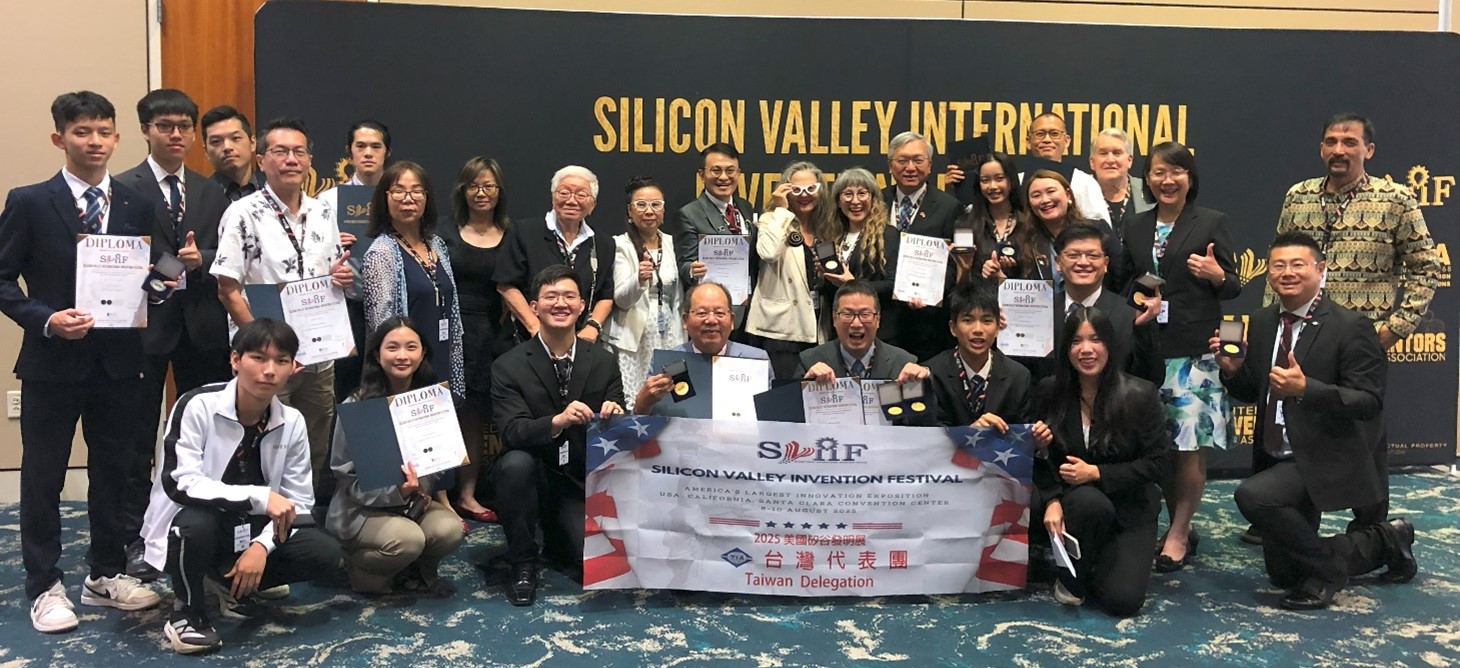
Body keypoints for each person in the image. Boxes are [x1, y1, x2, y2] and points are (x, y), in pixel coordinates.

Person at [0, 90, 164, 633]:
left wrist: (167, 279)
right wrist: (45, 318)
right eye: (82, 132)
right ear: (60, 138)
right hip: (52, 362)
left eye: (103, 132)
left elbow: (151, 270)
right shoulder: (29, 201)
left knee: (114, 472)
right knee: (43, 477)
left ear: (117, 138)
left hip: (120, 364)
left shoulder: (136, 203)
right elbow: (2, 279)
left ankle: (106, 573)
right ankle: (44, 585)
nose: (95, 142)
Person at [1265, 112, 1447, 536]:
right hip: (1302, 338)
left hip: (1361, 341)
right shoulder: (1298, 196)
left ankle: (1373, 532)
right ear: (1321, 149)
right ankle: (1294, 520)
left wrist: (1396, 327)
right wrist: (1275, 328)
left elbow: (1427, 267)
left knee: (1364, 436)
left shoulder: (1395, 199)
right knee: (1297, 428)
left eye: (1350, 142)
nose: (1339, 150)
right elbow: (1280, 261)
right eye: (1331, 142)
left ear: (1369, 150)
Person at [1220, 231, 1416, 610]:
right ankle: (1387, 540)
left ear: (1320, 269)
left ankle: (1329, 571)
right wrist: (1232, 370)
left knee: (1252, 496)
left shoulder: (1350, 325)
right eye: (1278, 265)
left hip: (1325, 454)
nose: (1287, 273)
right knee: (1284, 575)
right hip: (1275, 453)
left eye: (1298, 264)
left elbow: (1368, 401)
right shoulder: (1261, 321)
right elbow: (1252, 391)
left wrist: (1307, 389)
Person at [140, 319, 345, 654]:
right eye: (258, 358)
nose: (269, 370)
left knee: (323, 551)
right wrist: (260, 497)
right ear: (235, 360)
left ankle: (228, 582)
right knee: (197, 525)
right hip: (193, 521)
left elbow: (299, 502)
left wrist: (261, 547)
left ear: (293, 367)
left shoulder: (291, 420)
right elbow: (180, 484)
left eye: (281, 361)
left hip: (248, 528)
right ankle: (187, 611)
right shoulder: (197, 405)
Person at [117, 88, 234, 582]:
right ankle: (133, 537)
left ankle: (199, 530)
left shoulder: (211, 192)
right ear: (145, 130)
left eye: (184, 126)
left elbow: (228, 254)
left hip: (202, 329)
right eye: (165, 126)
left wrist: (201, 260)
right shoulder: (123, 187)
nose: (176, 135)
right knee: (136, 436)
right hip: (143, 328)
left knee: (204, 435)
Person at [1117, 142, 1241, 572]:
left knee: (1188, 448)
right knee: (1162, 447)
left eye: (1176, 172)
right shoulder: (1135, 224)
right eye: (1158, 172)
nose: (1167, 180)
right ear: (1147, 179)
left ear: (1190, 178)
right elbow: (1125, 280)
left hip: (1193, 354)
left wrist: (1217, 274)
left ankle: (1179, 532)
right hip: (1147, 351)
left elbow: (1234, 287)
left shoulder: (1212, 222)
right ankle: (1176, 523)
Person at [211, 117, 354, 489]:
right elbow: (227, 288)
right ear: (261, 160)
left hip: (319, 353)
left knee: (314, 437)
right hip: (268, 357)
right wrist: (263, 348)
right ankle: (260, 511)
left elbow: (330, 272)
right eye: (280, 151)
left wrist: (340, 277)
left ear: (309, 161)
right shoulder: (243, 213)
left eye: (299, 152)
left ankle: (301, 507)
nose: (291, 159)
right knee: (261, 439)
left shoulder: (323, 211)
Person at [490, 265, 625, 606]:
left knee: (591, 562)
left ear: (582, 306)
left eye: (568, 296)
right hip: (533, 473)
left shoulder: (604, 361)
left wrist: (616, 413)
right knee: (514, 463)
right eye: (551, 297)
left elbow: (617, 419)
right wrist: (557, 421)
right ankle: (522, 562)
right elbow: (512, 431)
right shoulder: (508, 365)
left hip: (578, 480)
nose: (560, 303)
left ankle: (556, 535)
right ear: (534, 307)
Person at [1034, 306, 1171, 617]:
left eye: (1095, 339)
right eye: (1076, 341)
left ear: (1110, 344)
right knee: (1089, 502)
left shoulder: (1140, 394)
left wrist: (1096, 472)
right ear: (1066, 349)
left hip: (1131, 506)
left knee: (1123, 601)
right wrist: (1052, 499)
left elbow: (1159, 464)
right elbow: (1041, 460)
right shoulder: (1050, 391)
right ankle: (1071, 576)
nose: (1086, 349)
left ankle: (1099, 559)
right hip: (1080, 505)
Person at [327, 317, 465, 597]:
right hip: (361, 509)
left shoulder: (431, 401)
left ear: (423, 353)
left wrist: (421, 488)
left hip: (412, 504)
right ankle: (358, 569)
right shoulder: (358, 406)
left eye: (411, 347)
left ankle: (417, 573)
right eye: (392, 347)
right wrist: (397, 493)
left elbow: (437, 461)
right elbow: (344, 475)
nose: (402, 355)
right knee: (408, 539)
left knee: (450, 529)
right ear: (377, 355)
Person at [438, 156, 512, 523]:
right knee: (439, 413)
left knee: (474, 417)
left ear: (499, 192)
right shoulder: (443, 230)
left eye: (488, 186)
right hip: (445, 329)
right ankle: (436, 496)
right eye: (473, 186)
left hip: (490, 335)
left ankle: (467, 495)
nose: (481, 193)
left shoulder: (512, 234)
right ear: (462, 190)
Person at [359, 161, 465, 403]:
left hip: (440, 352)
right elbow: (381, 327)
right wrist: (401, 361)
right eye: (398, 191)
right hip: (406, 365)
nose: (408, 199)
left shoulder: (437, 245)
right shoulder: (381, 253)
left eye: (416, 191)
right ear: (385, 198)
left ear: (426, 198)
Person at [316, 119, 393, 403]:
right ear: (350, 152)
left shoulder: (400, 197)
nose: (368, 153)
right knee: (346, 386)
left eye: (376, 146)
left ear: (387, 152)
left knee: (389, 383)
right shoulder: (327, 201)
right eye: (360, 146)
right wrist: (331, 244)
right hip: (346, 306)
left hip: (393, 304)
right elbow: (311, 256)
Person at [495, 165, 614, 344]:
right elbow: (506, 285)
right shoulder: (524, 232)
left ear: (593, 204)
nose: (572, 201)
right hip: (527, 340)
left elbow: (606, 294)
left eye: (581, 195)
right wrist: (535, 328)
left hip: (580, 343)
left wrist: (593, 327)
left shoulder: (603, 243)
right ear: (553, 198)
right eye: (564, 193)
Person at [634, 282, 772, 415]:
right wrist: (642, 403)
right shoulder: (667, 362)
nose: (711, 320)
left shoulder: (757, 360)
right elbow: (644, 419)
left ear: (731, 321)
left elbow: (771, 417)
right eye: (701, 313)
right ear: (685, 321)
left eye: (719, 313)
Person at [607, 176, 685, 410]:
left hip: (670, 333)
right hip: (633, 337)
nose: (649, 211)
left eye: (655, 204)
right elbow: (621, 299)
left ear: (663, 210)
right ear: (630, 211)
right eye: (641, 205)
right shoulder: (619, 245)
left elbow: (679, 296)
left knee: (674, 398)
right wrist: (639, 279)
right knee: (635, 402)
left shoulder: (673, 243)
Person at [747, 161, 828, 380]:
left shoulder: (826, 226)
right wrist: (781, 210)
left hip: (816, 325)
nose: (804, 195)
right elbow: (768, 253)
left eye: (811, 189)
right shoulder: (770, 220)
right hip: (781, 330)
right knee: (783, 393)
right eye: (796, 190)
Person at [882, 131, 960, 360]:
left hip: (928, 323)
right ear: (890, 165)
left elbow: (954, 263)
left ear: (930, 165)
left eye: (918, 160)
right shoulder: (876, 201)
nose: (910, 167)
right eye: (902, 160)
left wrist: (930, 294)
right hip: (882, 317)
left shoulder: (949, 207)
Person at [981, 170, 1117, 289]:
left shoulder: (1097, 229)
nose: (1045, 200)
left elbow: (1120, 276)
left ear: (1068, 195)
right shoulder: (1023, 240)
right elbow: (1019, 295)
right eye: (1036, 195)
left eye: (1051, 191)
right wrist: (1000, 275)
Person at [671, 142, 759, 322]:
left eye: (730, 170)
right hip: (713, 313)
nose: (724, 177)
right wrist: (692, 270)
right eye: (716, 170)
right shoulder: (689, 214)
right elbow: (684, 264)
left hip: (749, 309)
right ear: (702, 175)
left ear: (739, 173)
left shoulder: (745, 207)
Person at [925, 284, 1033, 428]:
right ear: (953, 328)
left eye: (986, 321)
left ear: (998, 328)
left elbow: (1022, 432)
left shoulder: (1018, 376)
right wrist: (970, 434)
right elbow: (930, 433)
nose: (978, 330)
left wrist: (1038, 437)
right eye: (968, 320)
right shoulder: (933, 374)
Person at [819, 168, 902, 347]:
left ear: (873, 199)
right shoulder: (832, 235)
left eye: (862, 193)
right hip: (840, 331)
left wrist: (852, 283)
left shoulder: (888, 234)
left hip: (878, 332)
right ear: (838, 201)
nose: (855, 201)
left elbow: (893, 284)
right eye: (848, 194)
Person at [796, 280, 926, 384]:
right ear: (834, 319)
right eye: (847, 314)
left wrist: (922, 383)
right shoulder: (810, 361)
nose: (856, 324)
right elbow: (791, 406)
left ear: (878, 319)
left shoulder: (903, 363)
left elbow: (921, 409)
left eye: (865, 314)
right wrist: (806, 386)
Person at [950, 152, 1027, 286]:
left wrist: (1006, 276)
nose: (992, 186)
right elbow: (960, 286)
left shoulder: (1028, 224)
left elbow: (1038, 281)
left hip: (1020, 298)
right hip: (977, 298)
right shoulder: (965, 225)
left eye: (999, 178)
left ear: (1012, 180)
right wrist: (965, 267)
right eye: (985, 180)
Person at [1088, 128, 1154, 239]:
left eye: (1117, 153)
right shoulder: (1079, 192)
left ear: (1129, 160)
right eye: (1103, 153)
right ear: (1092, 162)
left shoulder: (1150, 190)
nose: (1110, 160)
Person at [200, 105, 264, 202]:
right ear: (206, 151)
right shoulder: (198, 197)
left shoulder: (274, 190)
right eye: (216, 141)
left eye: (235, 138)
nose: (227, 147)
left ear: (252, 143)